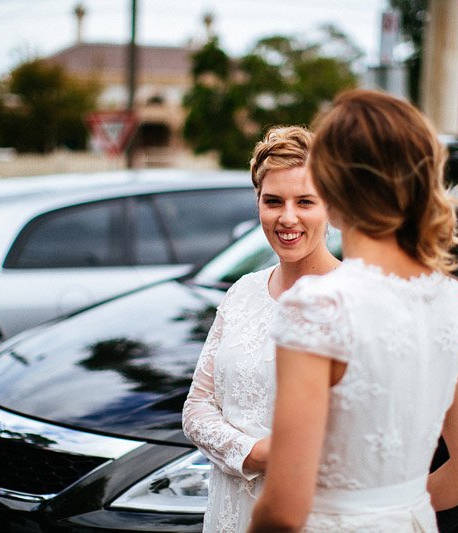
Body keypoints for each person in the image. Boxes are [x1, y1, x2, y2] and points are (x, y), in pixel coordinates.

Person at [249, 90, 458, 533]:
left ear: (331, 184)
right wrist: (391, 514)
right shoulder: (448, 297)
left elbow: (284, 509)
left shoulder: (318, 305)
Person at [182, 125, 340, 533]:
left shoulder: (353, 301)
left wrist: (284, 458)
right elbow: (196, 408)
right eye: (273, 202)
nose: (287, 218)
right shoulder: (243, 292)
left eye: (305, 201)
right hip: (231, 510)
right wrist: (250, 453)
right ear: (258, 204)